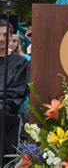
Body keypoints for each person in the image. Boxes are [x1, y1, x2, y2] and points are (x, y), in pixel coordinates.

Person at [0, 16, 29, 158]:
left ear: (11, 37)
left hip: (6, 112)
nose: (1, 39)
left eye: (5, 35)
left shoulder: (21, 63)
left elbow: (17, 94)